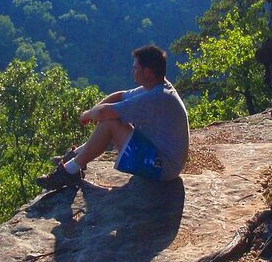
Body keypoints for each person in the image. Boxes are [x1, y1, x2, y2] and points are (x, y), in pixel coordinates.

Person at [37, 44, 190, 190]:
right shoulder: (157, 87)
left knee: (110, 123)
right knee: (112, 118)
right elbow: (119, 96)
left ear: (147, 72)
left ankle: (69, 171)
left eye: (136, 68)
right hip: (163, 160)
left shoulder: (157, 97)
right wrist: (94, 110)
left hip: (164, 168)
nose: (132, 71)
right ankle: (76, 157)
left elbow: (104, 113)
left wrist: (86, 114)